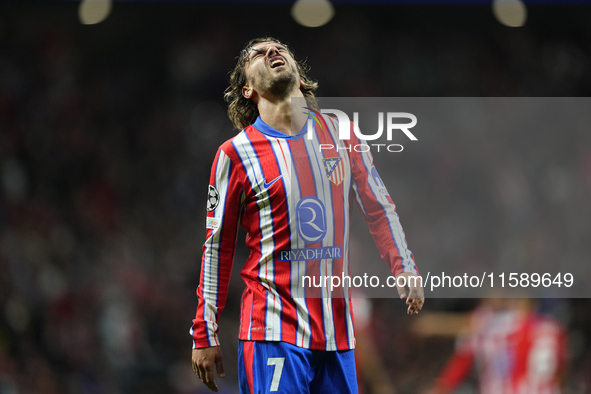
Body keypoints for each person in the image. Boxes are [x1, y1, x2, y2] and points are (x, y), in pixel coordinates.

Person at [190, 37, 424, 394]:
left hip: (336, 332)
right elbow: (217, 248)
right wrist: (204, 330)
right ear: (247, 89)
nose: (272, 52)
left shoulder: (341, 132)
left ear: (301, 78)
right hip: (271, 328)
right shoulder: (235, 154)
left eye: (279, 48)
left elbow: (378, 208)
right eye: (258, 54)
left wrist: (403, 265)